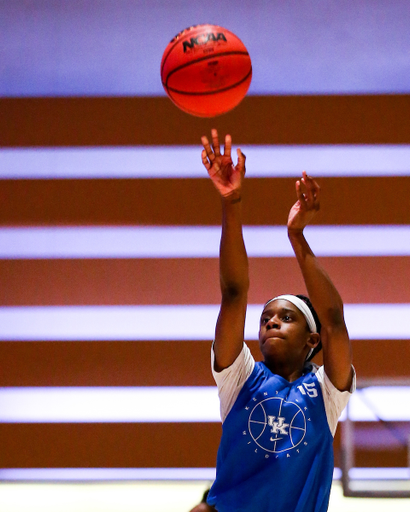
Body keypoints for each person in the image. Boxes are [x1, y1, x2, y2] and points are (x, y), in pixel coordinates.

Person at [200, 129, 355, 512]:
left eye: (286, 318)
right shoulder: (239, 378)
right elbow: (234, 292)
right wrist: (230, 201)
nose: (271, 322)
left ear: (312, 341)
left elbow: (334, 320)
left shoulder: (326, 392)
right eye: (266, 317)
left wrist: (297, 235)